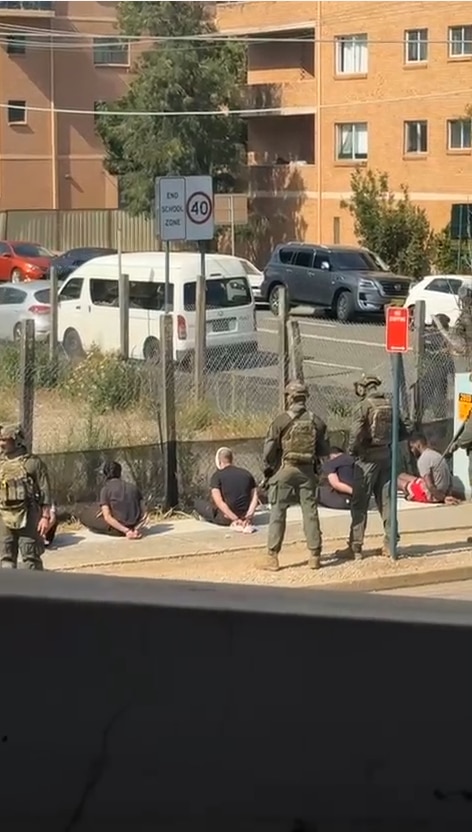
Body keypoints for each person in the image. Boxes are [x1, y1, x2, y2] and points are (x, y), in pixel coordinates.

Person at [259, 380, 330, 572]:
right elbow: (324, 450)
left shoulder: (281, 421)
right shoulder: (316, 421)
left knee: (278, 512)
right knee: (310, 512)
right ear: (305, 397)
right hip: (307, 472)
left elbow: (268, 451)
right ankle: (315, 555)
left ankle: (272, 556)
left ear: (289, 398)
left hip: (285, 469)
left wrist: (270, 466)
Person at [336, 375, 409, 562]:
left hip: (367, 459)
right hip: (386, 456)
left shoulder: (364, 406)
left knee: (359, 503)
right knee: (387, 502)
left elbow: (355, 433)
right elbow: (405, 429)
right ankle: (390, 544)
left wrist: (352, 452)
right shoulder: (391, 405)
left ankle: (355, 547)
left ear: (364, 388)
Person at [0, 423, 52, 570]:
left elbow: (45, 491)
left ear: (16, 440)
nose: (1, 443)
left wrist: (45, 517)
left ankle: (33, 584)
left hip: (28, 515)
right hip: (4, 516)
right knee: (5, 557)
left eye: (5, 440)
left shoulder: (33, 463)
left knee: (31, 558)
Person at [194, 447, 259, 532]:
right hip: (245, 516)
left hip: (226, 518)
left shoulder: (217, 476)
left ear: (219, 461)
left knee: (197, 503)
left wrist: (235, 519)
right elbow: (255, 496)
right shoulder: (247, 474)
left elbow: (219, 501)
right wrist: (249, 515)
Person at [79, 461, 146, 539]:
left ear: (105, 474)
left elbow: (107, 517)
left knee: (84, 515)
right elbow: (145, 514)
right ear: (120, 472)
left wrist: (127, 531)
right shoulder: (133, 487)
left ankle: (123, 529)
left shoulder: (106, 489)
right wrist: (136, 528)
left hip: (117, 529)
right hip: (134, 525)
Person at [398, 433, 456, 504]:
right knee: (402, 475)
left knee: (398, 481)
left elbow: (430, 486)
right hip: (442, 490)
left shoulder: (423, 459)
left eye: (412, 447)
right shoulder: (436, 454)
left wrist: (443, 498)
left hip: (432, 495)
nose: (412, 450)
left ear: (418, 445)